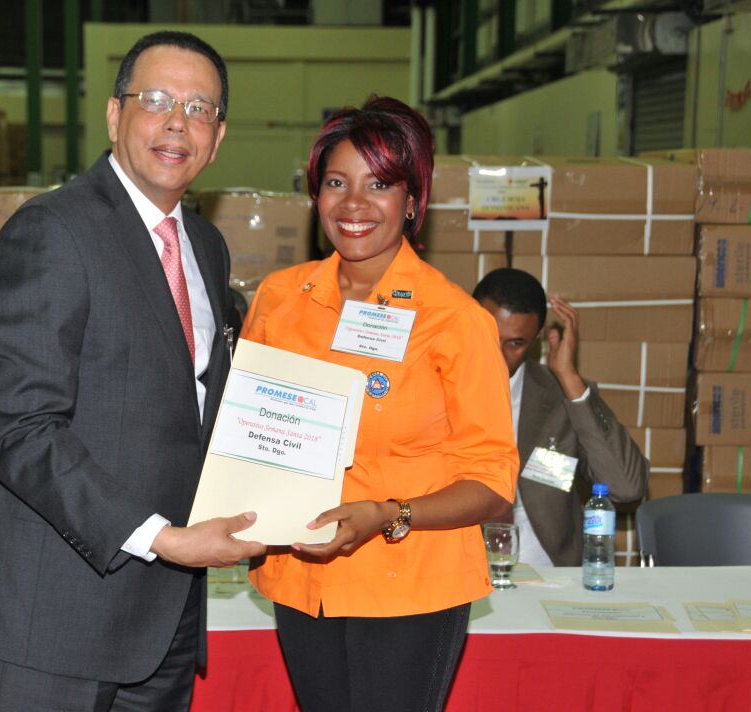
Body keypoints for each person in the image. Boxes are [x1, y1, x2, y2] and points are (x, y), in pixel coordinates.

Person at [0, 31, 265, 712]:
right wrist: (160, 537)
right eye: (156, 100)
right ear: (116, 116)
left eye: (199, 108)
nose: (177, 122)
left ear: (218, 137)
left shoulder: (204, 245)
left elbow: (191, 409)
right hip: (56, 616)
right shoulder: (53, 231)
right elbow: (23, 428)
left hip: (165, 620)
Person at [241, 97, 519, 712]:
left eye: (380, 185)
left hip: (408, 587)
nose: (354, 204)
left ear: (413, 200)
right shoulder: (280, 299)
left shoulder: (455, 321)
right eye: (336, 182)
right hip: (301, 580)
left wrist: (389, 514)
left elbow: (494, 482)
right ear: (315, 195)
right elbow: (251, 432)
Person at [472, 268, 648, 567]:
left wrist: (569, 379)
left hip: (546, 577)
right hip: (454, 576)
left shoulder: (560, 399)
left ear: (536, 340)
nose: (497, 355)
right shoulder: (432, 387)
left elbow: (627, 487)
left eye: (515, 343)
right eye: (488, 336)